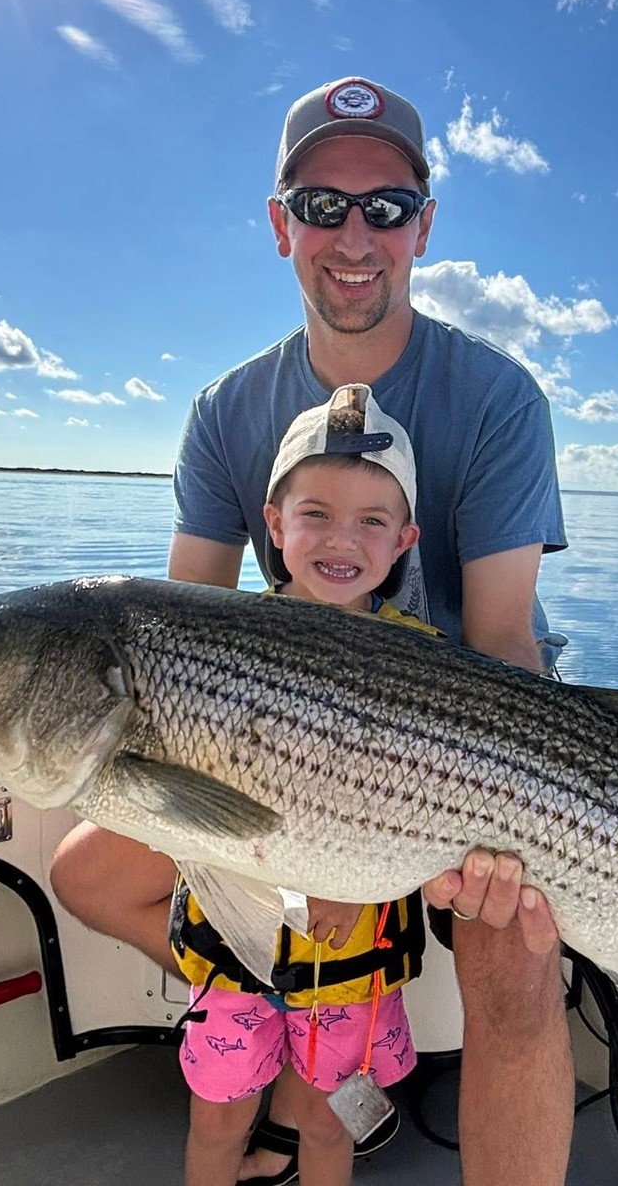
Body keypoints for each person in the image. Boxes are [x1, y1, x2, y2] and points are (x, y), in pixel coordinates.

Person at [0, 74, 573, 1186]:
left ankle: (328, 1050)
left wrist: (491, 823)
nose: (354, 236)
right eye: (320, 205)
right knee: (88, 873)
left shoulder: (496, 397)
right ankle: (290, 1016)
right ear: (279, 224)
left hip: (476, 762)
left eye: (385, 208)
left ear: (424, 227)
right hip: (278, 744)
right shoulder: (226, 410)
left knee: (515, 969)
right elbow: (168, 630)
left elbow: (501, 642)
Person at [176, 383, 432, 1186]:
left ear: (404, 541)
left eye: (371, 521)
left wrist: (351, 888)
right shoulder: (215, 647)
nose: (340, 539)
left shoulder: (429, 665)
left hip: (353, 953)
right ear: (273, 524)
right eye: (315, 513)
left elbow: (422, 812)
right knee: (216, 1120)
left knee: (328, 1127)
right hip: (233, 949)